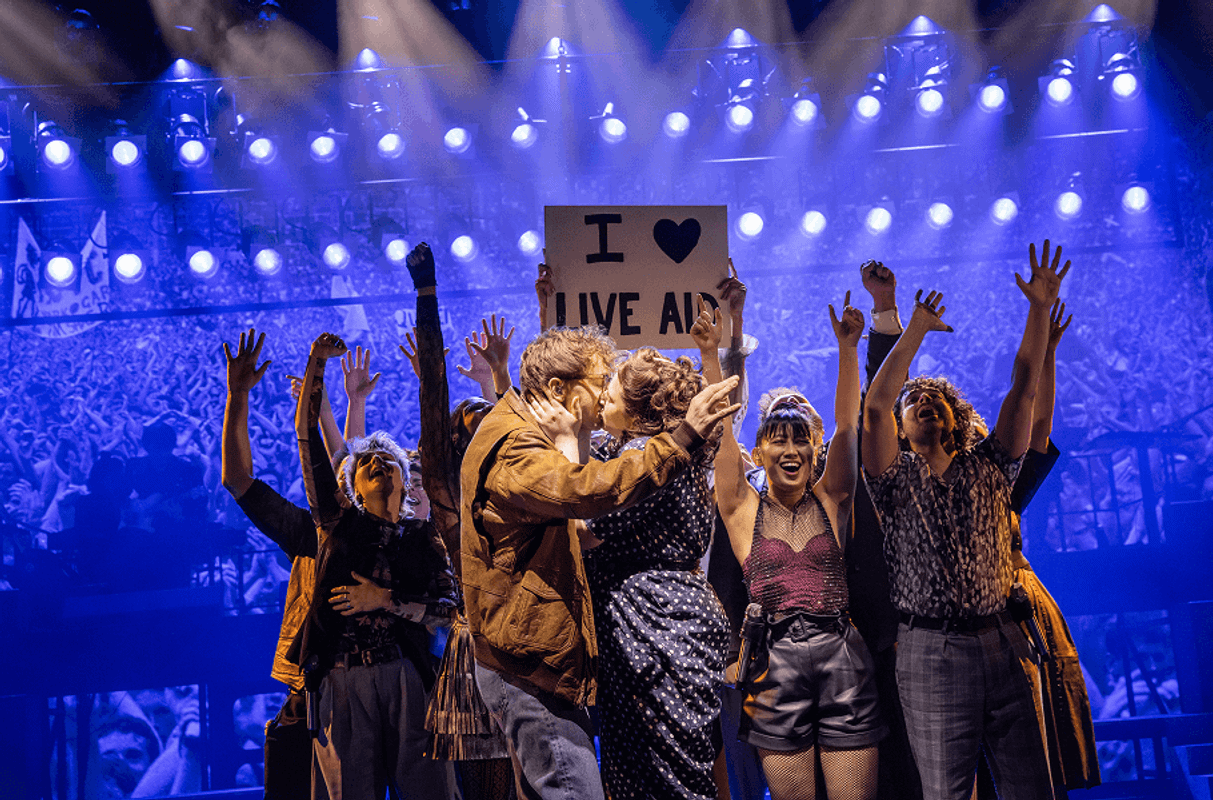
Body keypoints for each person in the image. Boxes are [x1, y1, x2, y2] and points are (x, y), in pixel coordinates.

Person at [460, 323, 740, 800]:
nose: (607, 385)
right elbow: (586, 492)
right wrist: (684, 433)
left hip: (651, 631)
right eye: (599, 380)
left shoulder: (602, 444)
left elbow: (586, 505)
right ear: (557, 391)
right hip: (535, 659)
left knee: (656, 778)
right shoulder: (519, 448)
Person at [861, 240, 1071, 800]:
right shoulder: (891, 479)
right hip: (932, 651)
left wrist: (1039, 308)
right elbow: (876, 405)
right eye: (916, 401)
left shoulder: (991, 466)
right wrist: (917, 330)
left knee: (1034, 789)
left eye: (937, 400)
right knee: (948, 793)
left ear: (955, 419)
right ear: (903, 430)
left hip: (1005, 639)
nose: (925, 401)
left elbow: (1025, 385)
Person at [696, 293, 886, 800]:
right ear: (759, 451)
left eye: (800, 438)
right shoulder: (741, 508)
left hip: (841, 657)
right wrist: (711, 354)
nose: (791, 449)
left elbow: (848, 426)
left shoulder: (832, 498)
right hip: (773, 662)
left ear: (813, 448)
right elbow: (717, 432)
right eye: (778, 440)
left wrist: (849, 348)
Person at [292, 331, 458, 800]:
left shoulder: (424, 538)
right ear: (353, 486)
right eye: (366, 462)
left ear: (407, 484)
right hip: (343, 679)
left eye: (388, 460)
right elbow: (309, 442)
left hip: (407, 675)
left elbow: (449, 610)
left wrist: (386, 601)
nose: (378, 463)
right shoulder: (337, 524)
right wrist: (316, 365)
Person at [581, 346, 730, 800]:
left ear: (640, 404)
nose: (602, 393)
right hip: (664, 618)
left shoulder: (647, 453)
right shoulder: (642, 448)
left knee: (666, 776)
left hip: (658, 624)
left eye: (613, 385)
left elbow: (588, 525)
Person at [399, 242, 516, 798]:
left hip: (531, 641)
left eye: (489, 420)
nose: (483, 427)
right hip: (477, 655)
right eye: (471, 422)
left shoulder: (518, 492)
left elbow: (528, 427)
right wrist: (427, 295)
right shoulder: (449, 497)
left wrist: (500, 377)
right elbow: (433, 395)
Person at [974, 301, 1100, 799]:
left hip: (1020, 614)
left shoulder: (1000, 484)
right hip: (963, 635)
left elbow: (1038, 421)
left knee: (1038, 764)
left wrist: (1047, 353)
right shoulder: (921, 492)